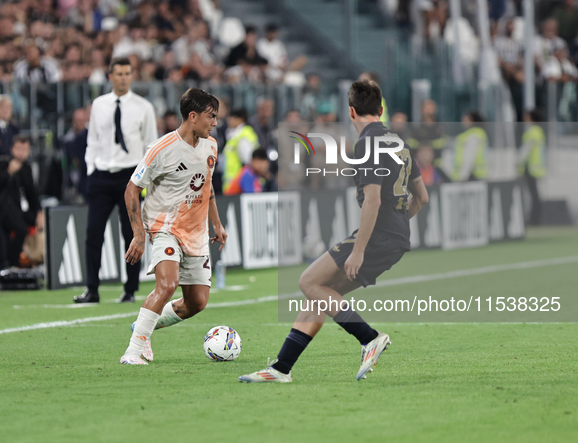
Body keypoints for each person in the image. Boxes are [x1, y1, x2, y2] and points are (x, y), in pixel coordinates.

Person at [239, 80, 428, 383]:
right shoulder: (399, 143)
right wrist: (399, 226)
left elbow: (374, 200)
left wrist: (359, 249)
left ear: (351, 111)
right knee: (322, 294)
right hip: (396, 238)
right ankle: (281, 368)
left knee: (308, 282)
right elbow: (422, 197)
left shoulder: (367, 143)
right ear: (380, 110)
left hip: (378, 235)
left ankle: (369, 338)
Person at [119, 88, 227, 365]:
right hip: (164, 227)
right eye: (210, 116)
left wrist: (216, 222)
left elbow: (207, 184)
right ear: (193, 116)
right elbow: (132, 190)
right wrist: (139, 235)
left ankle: (144, 326)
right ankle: (133, 351)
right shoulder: (161, 149)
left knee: (197, 303)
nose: (215, 122)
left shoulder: (211, 146)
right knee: (167, 284)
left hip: (197, 233)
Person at [74, 57, 158, 304]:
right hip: (101, 174)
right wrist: (91, 169)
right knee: (93, 234)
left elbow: (150, 146)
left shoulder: (144, 107)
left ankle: (130, 289)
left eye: (127, 73)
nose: (123, 77)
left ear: (132, 76)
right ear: (110, 77)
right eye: (118, 73)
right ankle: (92, 289)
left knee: (131, 234)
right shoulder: (99, 104)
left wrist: (145, 181)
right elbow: (94, 139)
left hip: (130, 177)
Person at [0, 136, 44, 268]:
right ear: (12, 149)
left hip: (19, 210)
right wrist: (9, 172)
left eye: (25, 149)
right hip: (0, 210)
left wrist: (39, 212)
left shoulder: (27, 168)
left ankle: (31, 259)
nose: (21, 152)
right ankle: (12, 263)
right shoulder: (2, 162)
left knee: (32, 223)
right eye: (18, 148)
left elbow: (31, 192)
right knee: (20, 228)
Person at [518, 109, 546, 225]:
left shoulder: (532, 132)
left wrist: (517, 161)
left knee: (532, 196)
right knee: (535, 195)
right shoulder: (539, 131)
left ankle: (533, 220)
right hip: (537, 168)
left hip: (530, 169)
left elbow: (526, 150)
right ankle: (535, 219)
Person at [222, 108, 259, 190]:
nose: (229, 121)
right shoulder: (233, 135)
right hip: (234, 183)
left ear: (240, 119)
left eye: (231, 118)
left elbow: (248, 160)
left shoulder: (243, 136)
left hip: (240, 183)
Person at [451, 111, 489, 182]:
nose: (463, 120)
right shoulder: (478, 133)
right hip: (476, 176)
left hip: (472, 177)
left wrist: (463, 176)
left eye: (466, 118)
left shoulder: (473, 135)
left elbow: (469, 156)